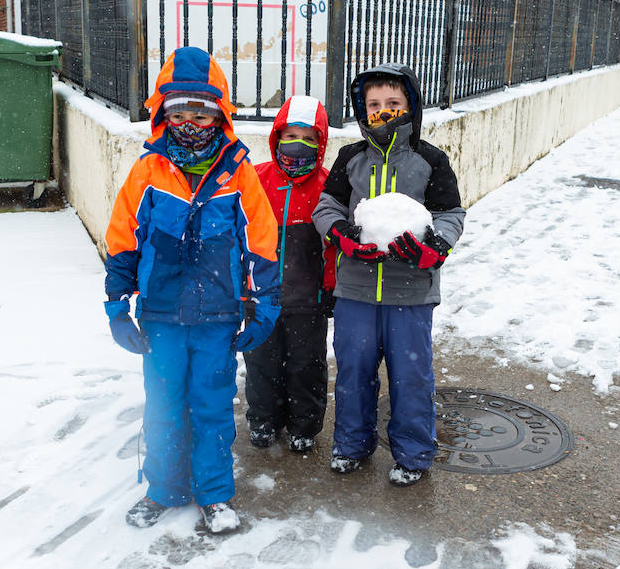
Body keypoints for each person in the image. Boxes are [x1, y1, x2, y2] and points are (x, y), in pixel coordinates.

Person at [103, 47, 280, 533]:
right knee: (162, 407)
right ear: (162, 115)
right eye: (179, 112)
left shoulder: (238, 173)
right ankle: (163, 489)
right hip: (160, 316)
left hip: (218, 317)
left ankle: (214, 494)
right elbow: (123, 239)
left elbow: (261, 241)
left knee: (211, 408)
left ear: (219, 115)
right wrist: (118, 305)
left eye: (202, 112)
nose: (191, 122)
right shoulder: (148, 172)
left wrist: (264, 302)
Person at [311, 64, 465, 487]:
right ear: (362, 110)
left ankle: (413, 453)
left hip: (411, 293)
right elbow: (326, 208)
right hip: (356, 291)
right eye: (373, 105)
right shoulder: (350, 159)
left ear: (410, 107)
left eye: (392, 104)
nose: (382, 112)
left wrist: (433, 247)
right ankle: (352, 445)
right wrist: (342, 236)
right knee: (353, 372)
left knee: (410, 376)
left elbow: (450, 214)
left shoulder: (429, 161)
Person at [243, 95, 337, 454]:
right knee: (261, 363)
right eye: (291, 135)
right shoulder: (256, 179)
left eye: (309, 138)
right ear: (277, 136)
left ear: (321, 143)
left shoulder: (327, 186)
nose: (299, 145)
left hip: (306, 300)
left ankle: (304, 425)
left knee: (305, 366)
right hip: (261, 298)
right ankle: (263, 419)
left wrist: (329, 287)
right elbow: (240, 236)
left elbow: (332, 246)